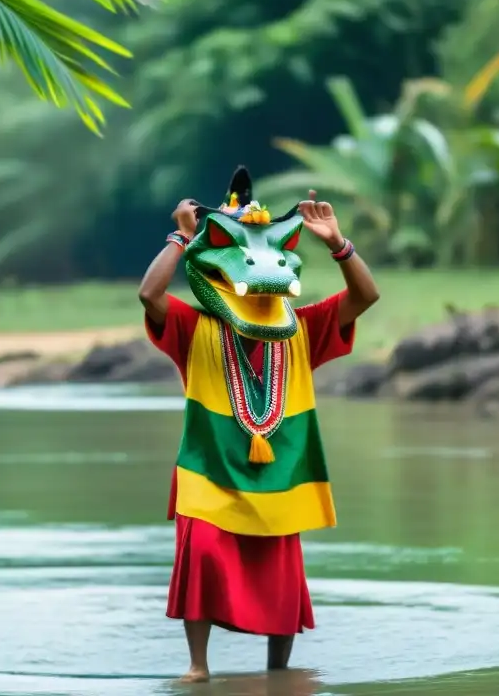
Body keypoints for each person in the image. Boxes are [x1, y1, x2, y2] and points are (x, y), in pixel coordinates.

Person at [137, 166, 379, 683]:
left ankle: (278, 671)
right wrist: (181, 238)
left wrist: (339, 244)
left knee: (282, 573)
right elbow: (149, 295)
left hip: (279, 475)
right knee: (201, 551)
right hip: (210, 471)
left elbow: (365, 297)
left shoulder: (302, 328)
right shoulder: (194, 325)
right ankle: (198, 666)